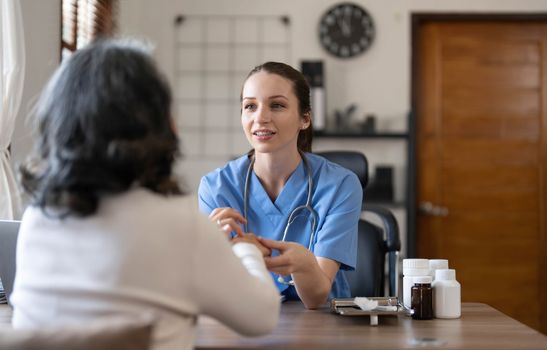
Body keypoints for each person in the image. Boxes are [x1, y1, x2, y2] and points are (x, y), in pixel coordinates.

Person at [10, 40, 280, 350]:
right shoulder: (181, 226)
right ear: (158, 123)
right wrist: (246, 251)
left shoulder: (37, 220)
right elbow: (261, 318)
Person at [198, 62, 362, 309]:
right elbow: (212, 292)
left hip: (322, 324)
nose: (260, 118)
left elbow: (317, 297)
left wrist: (304, 265)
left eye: (277, 105)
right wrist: (210, 253)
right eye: (250, 106)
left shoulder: (340, 186)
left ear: (304, 119)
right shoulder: (215, 188)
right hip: (246, 317)